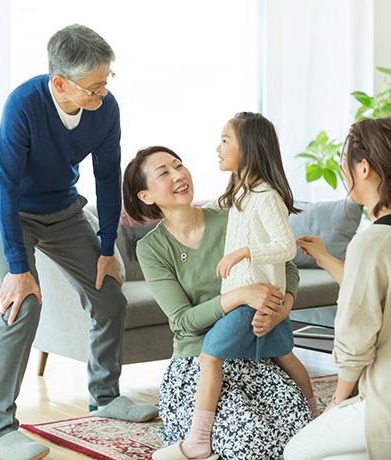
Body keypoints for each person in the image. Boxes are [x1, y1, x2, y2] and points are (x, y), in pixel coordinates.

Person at [0, 24, 157, 460]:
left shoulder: (104, 109)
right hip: (9, 208)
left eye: (106, 80)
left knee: (109, 293)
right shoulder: (23, 105)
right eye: (94, 86)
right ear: (60, 83)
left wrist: (106, 247)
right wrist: (18, 270)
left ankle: (105, 397)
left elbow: (107, 175)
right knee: (23, 305)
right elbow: (5, 186)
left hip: (63, 208)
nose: (103, 92)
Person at [283, 118, 391, 460]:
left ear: (363, 168)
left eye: (344, 162)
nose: (342, 170)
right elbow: (382, 289)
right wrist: (324, 257)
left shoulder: (370, 243)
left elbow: (353, 347)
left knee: (297, 452)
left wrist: (337, 402)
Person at [123, 146, 312, 460]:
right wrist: (237, 296)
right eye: (164, 173)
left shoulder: (230, 215)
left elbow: (285, 266)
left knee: (296, 433)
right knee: (250, 444)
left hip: (251, 353)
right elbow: (183, 321)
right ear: (146, 196)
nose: (179, 175)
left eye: (179, 165)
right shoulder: (152, 248)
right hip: (197, 362)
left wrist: (283, 309)